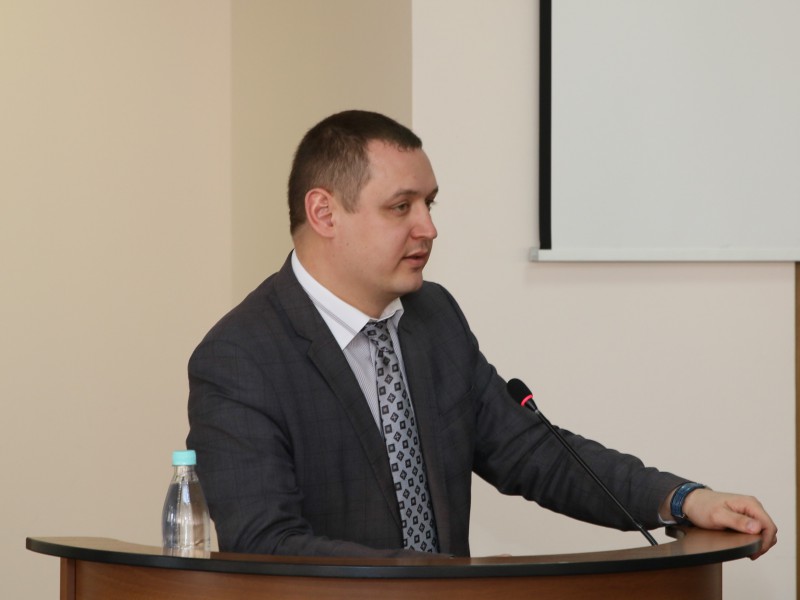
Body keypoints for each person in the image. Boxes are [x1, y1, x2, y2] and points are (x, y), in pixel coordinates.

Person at [186, 110, 777, 559]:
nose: (428, 227)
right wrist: (440, 585)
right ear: (324, 213)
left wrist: (682, 499)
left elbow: (533, 452)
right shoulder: (240, 357)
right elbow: (266, 543)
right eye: (401, 207)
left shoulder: (433, 316)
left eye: (430, 203)